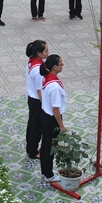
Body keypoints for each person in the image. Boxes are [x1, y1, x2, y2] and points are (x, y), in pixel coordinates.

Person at [39, 54, 66, 182]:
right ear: (55, 67)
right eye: (61, 64)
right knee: (49, 146)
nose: (62, 66)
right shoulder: (54, 86)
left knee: (45, 144)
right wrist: (61, 125)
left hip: (45, 114)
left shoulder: (46, 77)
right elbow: (56, 108)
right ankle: (48, 174)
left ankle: (45, 171)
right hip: (51, 118)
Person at [25, 40, 48, 159]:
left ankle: (30, 147)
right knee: (36, 127)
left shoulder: (31, 62)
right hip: (37, 100)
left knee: (32, 124)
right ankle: (33, 151)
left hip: (32, 98)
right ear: (39, 53)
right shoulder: (38, 69)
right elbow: (40, 90)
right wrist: (45, 105)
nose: (48, 53)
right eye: (46, 51)